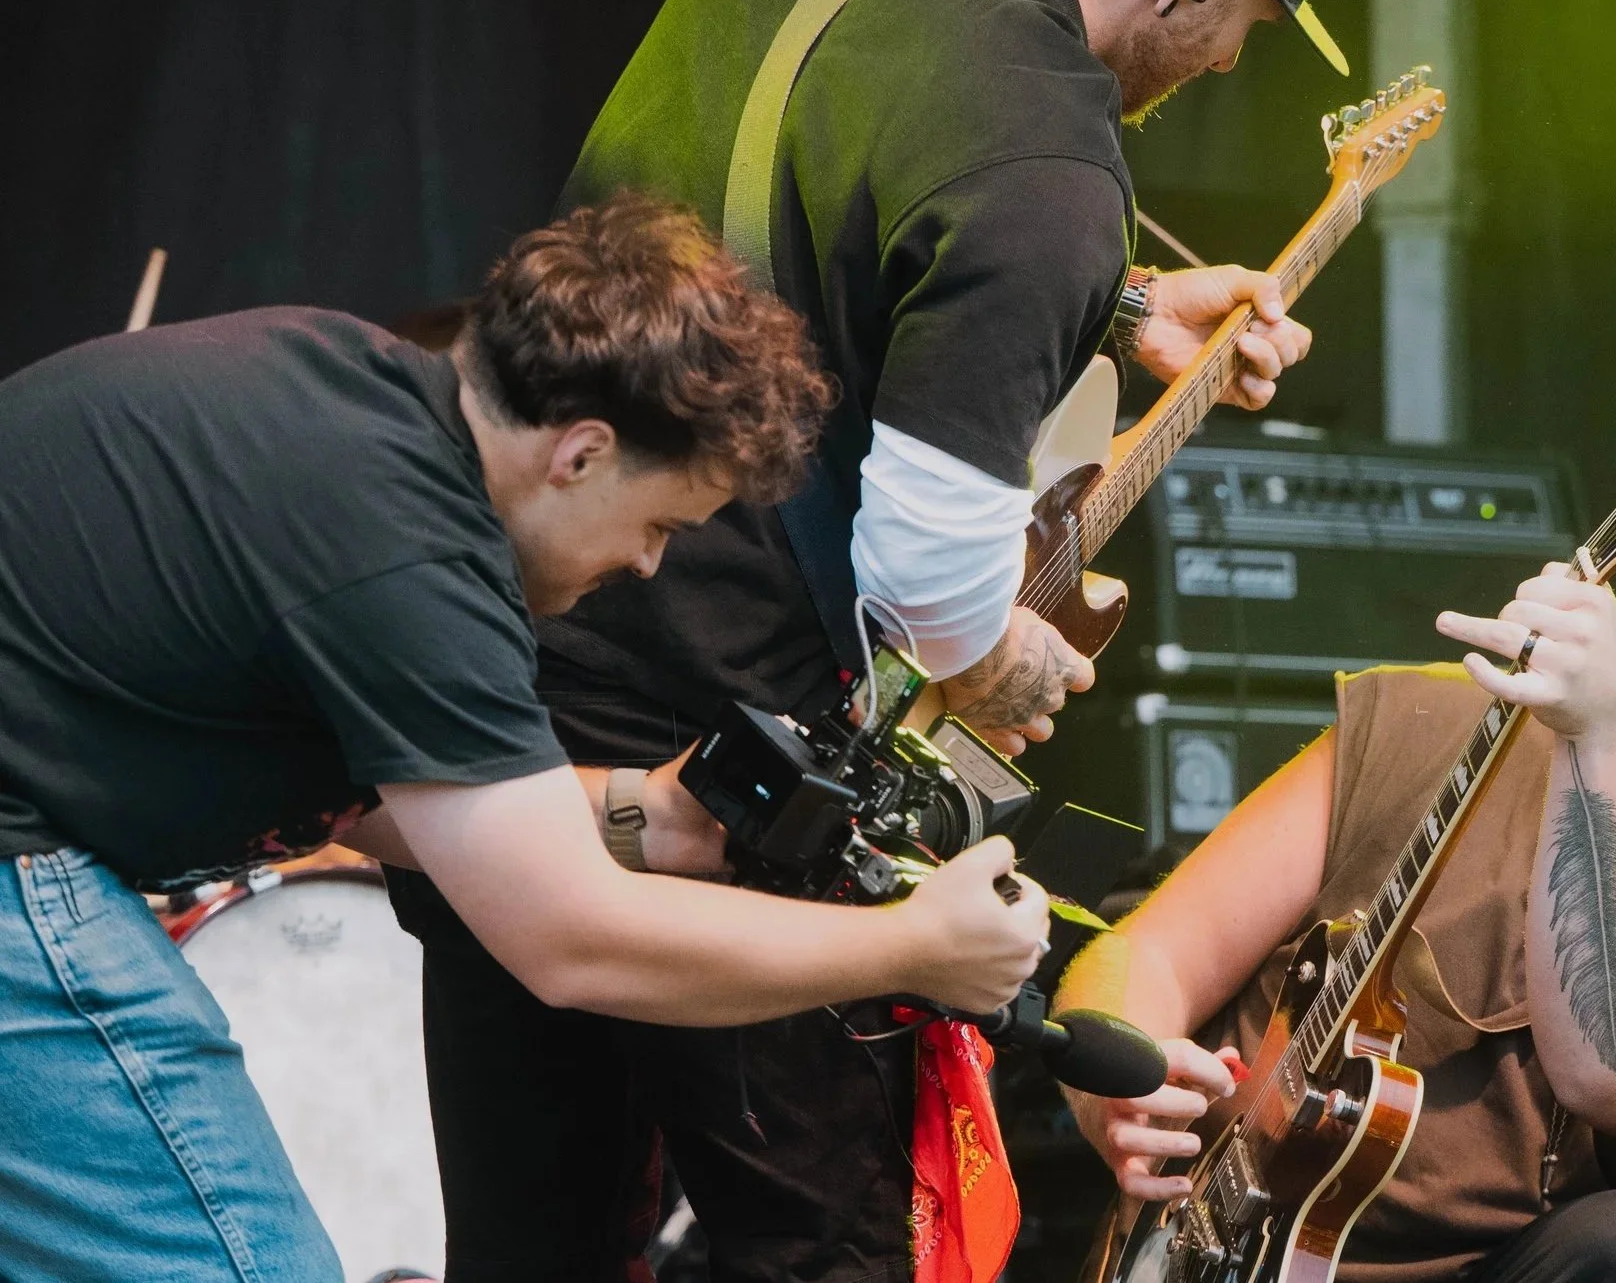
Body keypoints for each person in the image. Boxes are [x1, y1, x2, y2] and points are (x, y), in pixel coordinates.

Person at [384, 0, 1357, 1280]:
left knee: (533, 1239)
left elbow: (780, 216)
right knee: (828, 1248)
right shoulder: (1049, 158)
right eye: (1248, 30)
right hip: (743, 762)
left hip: (521, 665)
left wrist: (1123, 306)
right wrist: (1000, 657)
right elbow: (925, 577)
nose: (1226, 65)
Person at [0, 195, 1054, 1283]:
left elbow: (390, 804)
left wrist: (643, 816)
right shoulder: (413, 554)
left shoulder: (350, 391)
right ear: (583, 454)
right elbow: (570, 944)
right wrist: (920, 947)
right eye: (661, 526)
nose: (647, 566)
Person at [1060, 540, 1616, 1282]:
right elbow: (1152, 954)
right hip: (1202, 1248)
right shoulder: (1441, 720)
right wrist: (1118, 1086)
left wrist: (1597, 737)